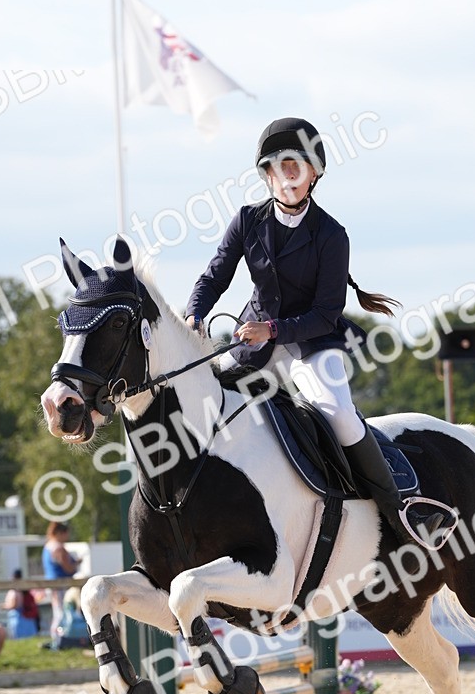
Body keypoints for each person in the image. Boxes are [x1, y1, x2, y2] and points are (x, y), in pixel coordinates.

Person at [184, 116, 454, 549]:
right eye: (278, 166)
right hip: (254, 341)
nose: (286, 174)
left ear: (314, 174)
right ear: (267, 175)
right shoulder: (247, 220)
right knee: (197, 393)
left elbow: (326, 314)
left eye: (296, 165)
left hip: (310, 342)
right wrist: (195, 314)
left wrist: (271, 329)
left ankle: (401, 510)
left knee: (339, 413)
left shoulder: (331, 235)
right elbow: (213, 277)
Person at [42, 521, 78, 644]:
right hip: (60, 584)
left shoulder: (48, 546)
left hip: (52, 583)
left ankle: (57, 638)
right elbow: (67, 568)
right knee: (61, 611)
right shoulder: (58, 548)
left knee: (57, 611)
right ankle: (59, 639)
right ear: (61, 533)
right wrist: (76, 565)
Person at [0, 569, 40, 639]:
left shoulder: (16, 591)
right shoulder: (22, 589)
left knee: (19, 636)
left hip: (18, 616)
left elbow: (14, 605)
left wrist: (4, 606)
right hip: (24, 617)